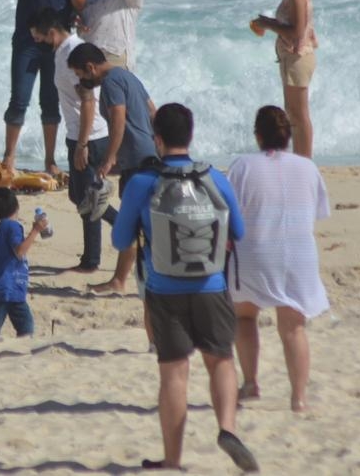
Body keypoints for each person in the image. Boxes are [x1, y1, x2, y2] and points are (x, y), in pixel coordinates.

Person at [112, 104, 257, 473]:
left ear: (157, 139)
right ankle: (227, 429)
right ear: (190, 136)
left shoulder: (143, 183)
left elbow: (119, 240)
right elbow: (238, 232)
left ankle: (173, 460)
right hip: (212, 285)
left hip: (164, 289)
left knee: (174, 373)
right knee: (221, 360)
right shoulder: (214, 178)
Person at [228, 105, 330, 413]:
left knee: (245, 316)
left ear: (258, 136)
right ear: (288, 136)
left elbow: (230, 214)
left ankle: (250, 382)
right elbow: (318, 212)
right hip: (299, 254)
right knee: (293, 327)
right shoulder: (308, 167)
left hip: (256, 252)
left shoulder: (242, 166)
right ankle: (298, 397)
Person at [66, 42, 157, 294]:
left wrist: (109, 158)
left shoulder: (110, 83)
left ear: (91, 67)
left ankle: (119, 281)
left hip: (136, 159)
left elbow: (118, 118)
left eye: (80, 74)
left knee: (132, 220)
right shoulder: (128, 75)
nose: (81, 80)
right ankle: (121, 279)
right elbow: (152, 111)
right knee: (141, 219)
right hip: (147, 153)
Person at [1, 0, 86, 174]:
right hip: (26, 43)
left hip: (56, 47)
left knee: (50, 103)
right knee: (19, 101)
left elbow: (82, 3)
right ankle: (9, 157)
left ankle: (50, 160)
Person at [29, 7, 108, 273]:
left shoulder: (71, 55)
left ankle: (92, 260)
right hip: (78, 134)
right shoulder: (63, 52)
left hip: (90, 136)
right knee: (79, 196)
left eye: (39, 37)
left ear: (52, 32)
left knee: (88, 200)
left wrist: (83, 144)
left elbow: (88, 102)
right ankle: (124, 227)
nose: (37, 42)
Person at [249, 0, 325, 158]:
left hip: (298, 58)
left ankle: (305, 161)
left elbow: (296, 32)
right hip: (292, 58)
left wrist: (269, 24)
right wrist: (268, 23)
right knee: (293, 114)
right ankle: (301, 159)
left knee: (299, 115)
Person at [0, 186, 46, 336]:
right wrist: (36, 231)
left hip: (8, 290)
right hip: (5, 288)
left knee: (15, 328)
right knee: (22, 329)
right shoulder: (12, 227)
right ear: (17, 205)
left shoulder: (1, 228)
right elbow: (19, 251)